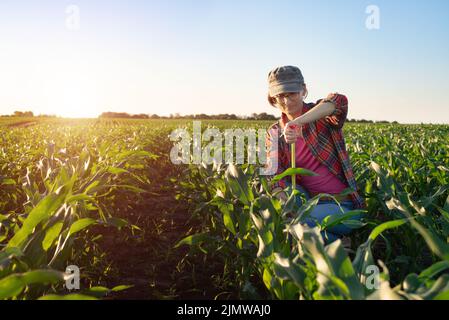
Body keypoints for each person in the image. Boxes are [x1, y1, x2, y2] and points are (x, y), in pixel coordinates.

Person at [264, 65, 366, 244]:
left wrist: (297, 122)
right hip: (310, 202)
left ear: (304, 90)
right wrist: (286, 208)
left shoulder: (321, 117)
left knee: (299, 223)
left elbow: (339, 101)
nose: (286, 101)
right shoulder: (274, 132)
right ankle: (338, 244)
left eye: (291, 93)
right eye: (280, 96)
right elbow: (274, 173)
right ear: (272, 97)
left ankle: (333, 244)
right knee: (278, 212)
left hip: (342, 206)